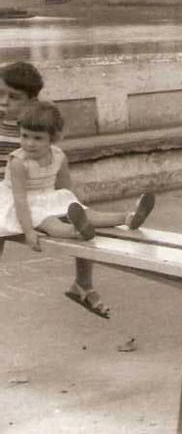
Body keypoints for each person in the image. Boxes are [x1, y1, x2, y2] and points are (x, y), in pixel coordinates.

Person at [0, 101, 155, 319]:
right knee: (50, 224)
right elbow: (20, 200)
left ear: (52, 138)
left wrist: (76, 207)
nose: (29, 143)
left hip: (49, 195)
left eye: (37, 138)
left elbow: (65, 187)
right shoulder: (19, 162)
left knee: (88, 213)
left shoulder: (58, 156)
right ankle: (76, 231)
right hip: (23, 203)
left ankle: (128, 218)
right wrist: (29, 232)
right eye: (25, 136)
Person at [0, 62, 44, 180]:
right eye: (0, 94)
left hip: (22, 190)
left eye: (14, 97)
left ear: (32, 102)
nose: (4, 102)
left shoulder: (34, 129)